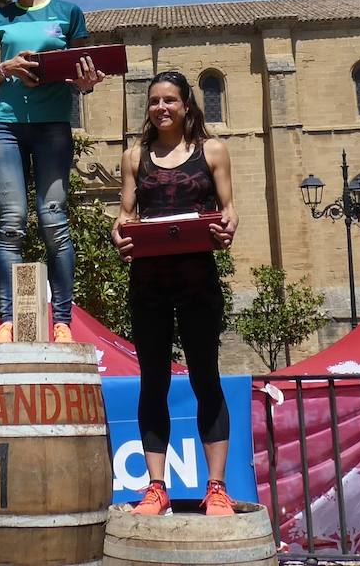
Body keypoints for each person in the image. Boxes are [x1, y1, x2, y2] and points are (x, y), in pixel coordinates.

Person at [110, 71, 237, 517]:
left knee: (206, 379)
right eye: (154, 101)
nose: (161, 108)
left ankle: (217, 487)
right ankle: (155, 487)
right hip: (148, 284)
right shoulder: (133, 156)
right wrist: (118, 235)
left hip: (198, 280)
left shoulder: (212, 150)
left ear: (186, 106)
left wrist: (227, 227)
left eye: (170, 100)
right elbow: (125, 214)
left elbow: (228, 209)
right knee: (153, 383)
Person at [0, 0, 103, 343]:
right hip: (7, 125)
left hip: (52, 127)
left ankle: (62, 321)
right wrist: (7, 67)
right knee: (11, 223)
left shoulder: (68, 13)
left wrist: (87, 80)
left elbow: (86, 74)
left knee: (54, 220)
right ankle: (7, 320)